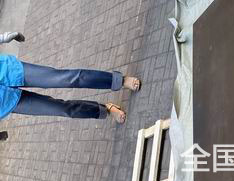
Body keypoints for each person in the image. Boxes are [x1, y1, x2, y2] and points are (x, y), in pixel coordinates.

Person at [0, 32, 140, 124]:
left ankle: (119, 81)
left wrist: (3, 38)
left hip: (7, 70)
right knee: (63, 109)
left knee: (67, 78)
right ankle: (105, 109)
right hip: (4, 103)